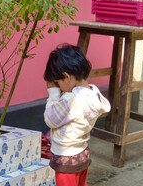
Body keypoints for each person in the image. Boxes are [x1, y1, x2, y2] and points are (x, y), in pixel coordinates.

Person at [43, 44, 111, 186]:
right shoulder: (93, 92)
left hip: (66, 158)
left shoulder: (72, 100)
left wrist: (53, 94)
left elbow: (50, 119)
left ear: (66, 77)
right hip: (82, 154)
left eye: (57, 82)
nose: (58, 86)